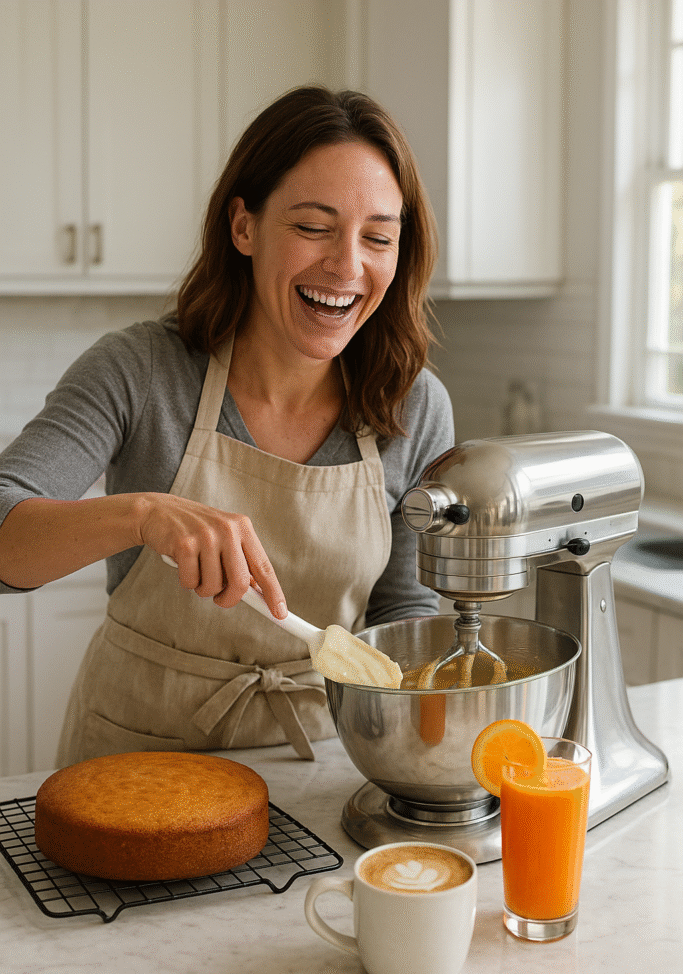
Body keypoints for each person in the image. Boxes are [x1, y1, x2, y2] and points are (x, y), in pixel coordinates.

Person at [0, 86, 454, 765]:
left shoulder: (411, 406)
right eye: (312, 227)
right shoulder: (140, 371)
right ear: (243, 226)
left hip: (317, 763)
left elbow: (403, 615)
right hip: (134, 760)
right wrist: (143, 515)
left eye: (378, 237)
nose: (347, 265)